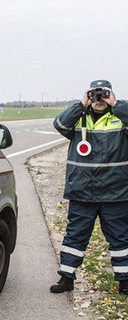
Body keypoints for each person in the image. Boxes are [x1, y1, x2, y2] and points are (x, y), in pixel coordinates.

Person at [51, 80, 128, 295]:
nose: (99, 99)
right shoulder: (79, 117)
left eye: (103, 94)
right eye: (95, 94)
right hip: (82, 191)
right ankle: (66, 278)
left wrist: (117, 104)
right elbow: (59, 125)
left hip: (116, 192)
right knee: (74, 237)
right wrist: (80, 104)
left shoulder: (120, 118)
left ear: (111, 94)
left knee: (121, 240)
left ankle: (125, 281)